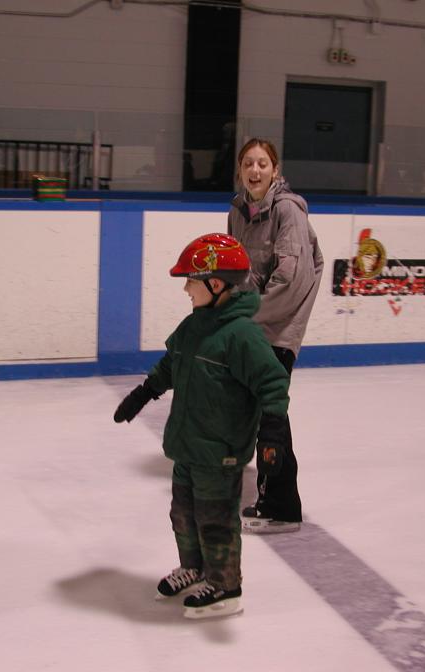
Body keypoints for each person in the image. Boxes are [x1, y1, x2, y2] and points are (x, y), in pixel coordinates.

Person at [113, 233, 290, 619]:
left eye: (190, 280)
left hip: (219, 452)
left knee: (216, 521)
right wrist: (144, 393)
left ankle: (226, 586)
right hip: (187, 446)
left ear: (215, 283)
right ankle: (194, 568)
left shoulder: (241, 336)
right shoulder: (193, 327)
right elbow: (170, 364)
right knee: (183, 515)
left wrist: (272, 430)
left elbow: (272, 382)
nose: (185, 289)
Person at [227, 138, 324, 534]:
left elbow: (292, 278)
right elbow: (237, 268)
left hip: (280, 328)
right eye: (248, 163)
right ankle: (269, 494)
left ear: (275, 169)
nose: (255, 170)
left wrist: (247, 315)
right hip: (252, 325)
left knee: (272, 417)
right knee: (255, 411)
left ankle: (282, 508)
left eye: (262, 163)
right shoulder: (238, 210)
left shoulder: (288, 211)